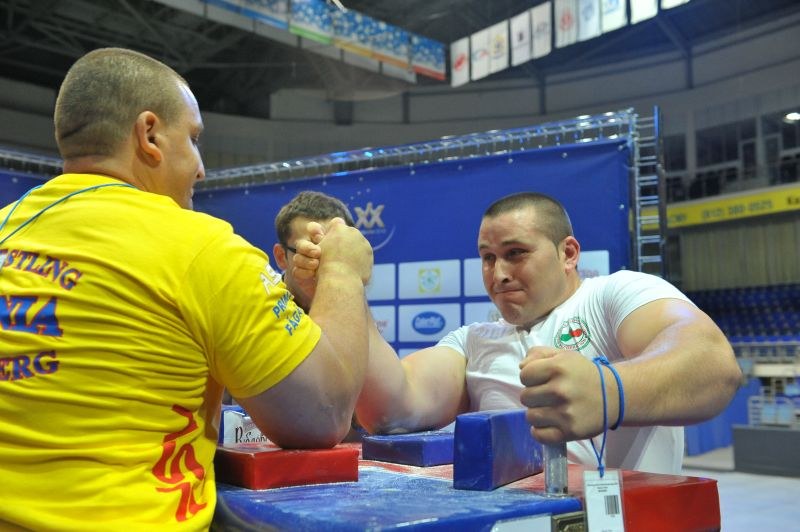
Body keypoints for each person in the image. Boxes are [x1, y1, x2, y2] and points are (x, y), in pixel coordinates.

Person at [0, 48, 372, 530]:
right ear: (149, 135)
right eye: (194, 140)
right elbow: (322, 415)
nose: (200, 168)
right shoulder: (201, 247)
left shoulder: (8, 228)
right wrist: (342, 271)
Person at [294, 191, 742, 475]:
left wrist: (609, 391)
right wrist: (343, 284)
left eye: (516, 253)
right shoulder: (473, 341)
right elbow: (393, 408)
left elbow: (713, 365)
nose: (499, 273)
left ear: (568, 253)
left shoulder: (615, 294)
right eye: (488, 258)